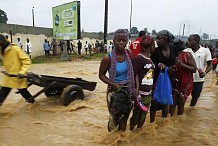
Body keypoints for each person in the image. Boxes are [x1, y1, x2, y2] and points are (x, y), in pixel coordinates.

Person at [99, 29, 135, 132]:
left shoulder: (129, 54)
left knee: (124, 117)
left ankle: (121, 140)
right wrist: (114, 84)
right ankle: (111, 140)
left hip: (127, 90)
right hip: (113, 91)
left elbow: (134, 71)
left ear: (127, 41)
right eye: (118, 40)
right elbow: (101, 75)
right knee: (114, 118)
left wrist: (134, 88)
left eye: (124, 40)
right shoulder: (107, 58)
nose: (121, 43)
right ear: (114, 41)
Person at [150, 30, 179, 123]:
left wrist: (178, 62)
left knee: (166, 101)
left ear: (166, 39)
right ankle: (151, 124)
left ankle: (164, 123)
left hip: (170, 79)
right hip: (158, 80)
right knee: (155, 101)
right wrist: (158, 64)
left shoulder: (174, 48)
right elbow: (151, 65)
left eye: (159, 38)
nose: (157, 41)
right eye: (156, 38)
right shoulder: (156, 52)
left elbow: (178, 60)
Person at [0, 34, 34, 106]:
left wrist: (22, 72)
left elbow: (27, 60)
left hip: (18, 77)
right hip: (9, 77)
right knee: (1, 96)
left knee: (25, 94)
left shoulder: (15, 49)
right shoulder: (3, 49)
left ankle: (35, 106)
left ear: (3, 41)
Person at [130, 36, 155, 130]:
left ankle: (138, 136)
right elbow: (133, 74)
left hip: (148, 92)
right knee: (136, 116)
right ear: (149, 46)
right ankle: (131, 133)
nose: (154, 47)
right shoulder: (139, 59)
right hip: (140, 94)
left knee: (143, 117)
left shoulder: (149, 58)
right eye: (153, 45)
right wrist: (136, 90)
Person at [169, 38, 197, 116]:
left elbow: (194, 69)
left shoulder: (187, 55)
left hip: (185, 83)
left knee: (181, 103)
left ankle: (179, 120)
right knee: (172, 103)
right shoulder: (171, 55)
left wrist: (182, 64)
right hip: (174, 82)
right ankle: (170, 123)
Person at [184, 34, 212, 107]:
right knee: (182, 97)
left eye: (190, 41)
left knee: (195, 97)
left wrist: (205, 73)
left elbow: (210, 64)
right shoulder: (185, 51)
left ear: (196, 41)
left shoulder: (205, 51)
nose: (188, 42)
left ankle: (191, 111)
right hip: (187, 79)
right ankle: (180, 113)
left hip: (199, 79)